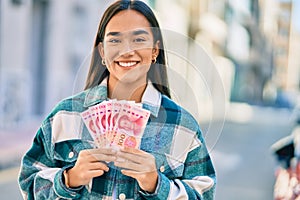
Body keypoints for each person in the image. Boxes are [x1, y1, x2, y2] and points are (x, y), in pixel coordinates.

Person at [18, 0, 216, 199]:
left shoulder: (183, 126)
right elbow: (29, 184)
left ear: (155, 50)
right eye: (115, 40)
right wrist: (69, 179)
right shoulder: (64, 116)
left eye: (139, 39)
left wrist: (157, 184)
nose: (127, 50)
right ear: (102, 51)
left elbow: (204, 194)